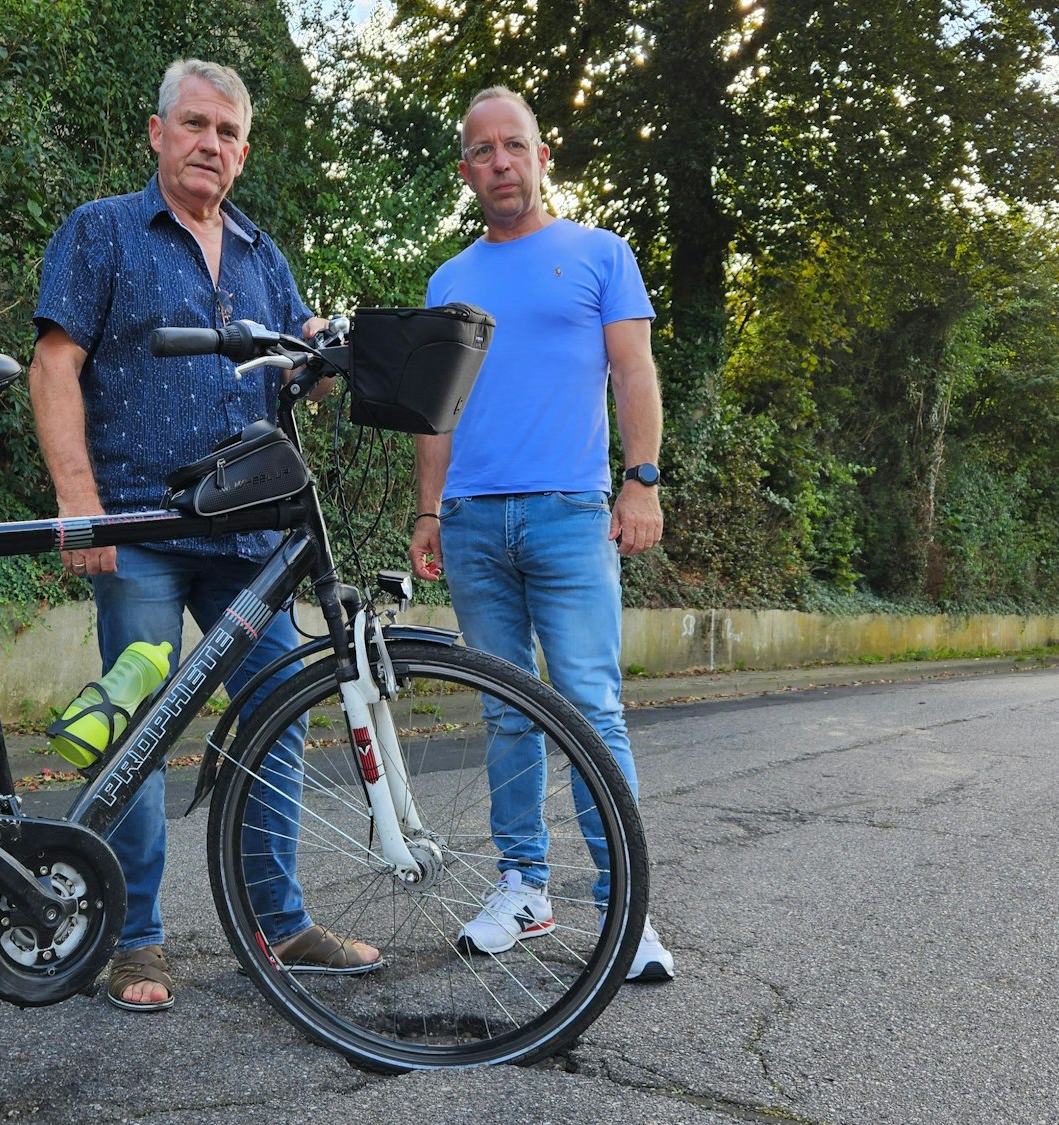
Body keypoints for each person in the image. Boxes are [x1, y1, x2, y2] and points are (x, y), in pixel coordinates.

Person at [29, 58, 380, 1012]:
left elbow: (298, 356)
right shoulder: (101, 230)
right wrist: (79, 503)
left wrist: (330, 351)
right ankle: (131, 938)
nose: (209, 145)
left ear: (244, 151)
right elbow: (55, 365)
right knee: (138, 726)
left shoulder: (266, 255)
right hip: (138, 523)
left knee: (276, 717)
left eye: (226, 134)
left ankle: (282, 921)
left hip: (250, 534)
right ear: (157, 133)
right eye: (193, 126)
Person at [406, 86, 673, 982]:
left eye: (512, 145)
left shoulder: (599, 255)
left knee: (593, 710)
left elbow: (634, 372)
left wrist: (640, 483)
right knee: (507, 713)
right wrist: (426, 511)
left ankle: (626, 911)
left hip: (569, 513)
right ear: (466, 170)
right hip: (475, 521)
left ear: (541, 153)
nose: (500, 163)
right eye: (481, 151)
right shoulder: (449, 280)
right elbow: (432, 412)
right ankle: (522, 885)